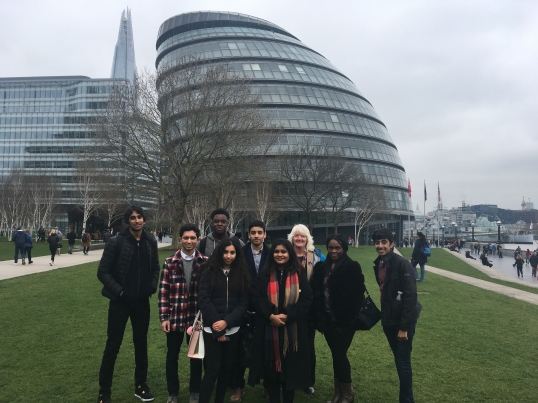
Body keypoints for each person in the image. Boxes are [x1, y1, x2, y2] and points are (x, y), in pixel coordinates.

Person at [96, 206, 160, 403]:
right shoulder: (116, 242)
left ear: (144, 220)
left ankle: (141, 385)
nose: (137, 220)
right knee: (112, 346)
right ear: (127, 221)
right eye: (132, 218)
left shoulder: (150, 241)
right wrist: (119, 291)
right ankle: (104, 392)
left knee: (141, 344)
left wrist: (150, 288)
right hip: (120, 304)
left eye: (139, 217)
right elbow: (103, 272)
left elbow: (155, 268)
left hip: (142, 303)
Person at [248, 239, 313, 403]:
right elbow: (256, 297)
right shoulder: (264, 274)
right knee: (272, 373)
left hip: (293, 333)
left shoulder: (299, 274)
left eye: (283, 251)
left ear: (289, 254)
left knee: (290, 373)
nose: (280, 255)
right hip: (268, 330)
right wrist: (271, 315)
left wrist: (287, 315)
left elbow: (307, 299)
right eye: (276, 251)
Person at [310, 234, 365, 403]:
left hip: (344, 322)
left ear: (344, 249)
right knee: (336, 355)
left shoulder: (351, 267)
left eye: (338, 248)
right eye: (331, 248)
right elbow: (315, 292)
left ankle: (347, 393)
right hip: (327, 320)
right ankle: (338, 393)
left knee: (340, 354)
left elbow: (356, 297)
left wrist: (343, 321)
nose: (334, 251)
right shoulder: (321, 267)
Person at [198, 238, 251, 403]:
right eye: (225, 252)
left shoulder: (241, 273)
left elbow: (243, 304)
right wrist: (218, 327)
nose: (228, 256)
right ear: (220, 252)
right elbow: (204, 300)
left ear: (237, 254)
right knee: (212, 370)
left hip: (233, 329)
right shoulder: (208, 272)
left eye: (232, 252)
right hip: (211, 328)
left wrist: (227, 322)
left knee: (226, 371)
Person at [159, 224, 208, 403]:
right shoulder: (170, 261)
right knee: (172, 356)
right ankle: (173, 393)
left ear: (198, 239)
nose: (189, 241)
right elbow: (163, 291)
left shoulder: (205, 262)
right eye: (186, 238)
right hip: (175, 317)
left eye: (192, 238)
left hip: (196, 319)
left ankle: (195, 391)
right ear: (180, 239)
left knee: (196, 357)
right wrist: (164, 317)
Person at [372, 228, 421, 403]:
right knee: (400, 358)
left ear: (392, 244)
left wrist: (404, 327)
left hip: (402, 321)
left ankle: (406, 400)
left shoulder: (402, 264)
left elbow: (410, 295)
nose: (380, 245)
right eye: (377, 242)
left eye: (384, 242)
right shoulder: (378, 263)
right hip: (389, 319)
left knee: (402, 361)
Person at [229, 220, 270, 402]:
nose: (256, 235)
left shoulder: (272, 253)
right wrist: (241, 307)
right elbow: (235, 280)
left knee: (267, 348)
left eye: (259, 232)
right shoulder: (240, 253)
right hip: (243, 308)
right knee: (239, 350)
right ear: (249, 235)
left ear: (264, 235)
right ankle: (239, 386)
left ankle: (268, 386)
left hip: (265, 308)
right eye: (253, 232)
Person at [287, 224, 323, 394]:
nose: (299, 239)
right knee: (287, 344)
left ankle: (307, 380)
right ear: (292, 238)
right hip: (288, 307)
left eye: (302, 236)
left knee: (308, 346)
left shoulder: (315, 257)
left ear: (307, 238)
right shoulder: (285, 255)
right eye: (296, 236)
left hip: (309, 309)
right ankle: (287, 378)